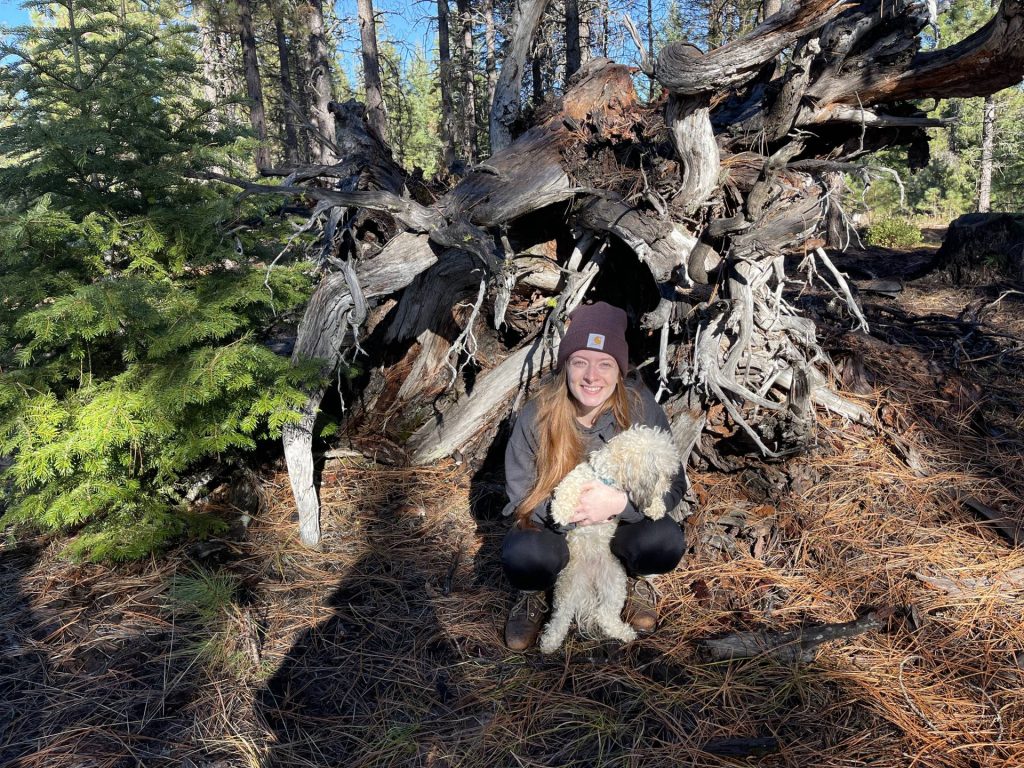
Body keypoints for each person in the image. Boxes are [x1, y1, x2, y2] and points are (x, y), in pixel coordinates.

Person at [501, 301, 688, 651]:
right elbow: (520, 495)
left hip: (621, 526)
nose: (591, 376)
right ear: (565, 367)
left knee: (664, 539)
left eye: (605, 364)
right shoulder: (537, 416)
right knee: (524, 553)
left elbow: (675, 485)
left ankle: (638, 578)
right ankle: (534, 593)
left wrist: (619, 505)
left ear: (619, 371)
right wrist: (577, 512)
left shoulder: (641, 408)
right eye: (580, 362)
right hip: (558, 527)